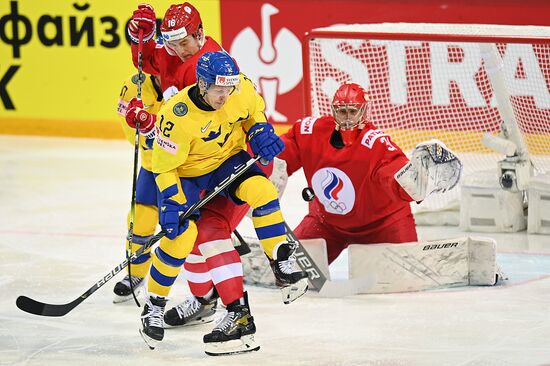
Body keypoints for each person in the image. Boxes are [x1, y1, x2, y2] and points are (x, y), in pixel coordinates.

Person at [137, 51, 308, 353]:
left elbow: (255, 111)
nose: (225, 95)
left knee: (262, 190)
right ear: (202, 84)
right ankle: (154, 304)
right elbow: (163, 168)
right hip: (187, 175)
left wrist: (259, 128)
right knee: (183, 236)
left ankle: (281, 259)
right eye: (218, 89)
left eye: (229, 88)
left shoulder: (238, 89)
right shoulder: (175, 115)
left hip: (227, 161)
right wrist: (172, 202)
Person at [123, 2, 268, 331]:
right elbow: (146, 61)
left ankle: (222, 305)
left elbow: (201, 122)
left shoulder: (206, 68)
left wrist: (149, 123)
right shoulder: (174, 47)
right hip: (183, 161)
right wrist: (139, 37)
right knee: (184, 234)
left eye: (182, 42)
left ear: (200, 34)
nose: (175, 49)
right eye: (169, 41)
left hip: (215, 160)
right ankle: (200, 300)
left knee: (201, 234)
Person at [242, 82, 463, 284]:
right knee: (279, 273)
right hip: (326, 224)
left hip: (384, 226)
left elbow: (398, 181)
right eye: (342, 111)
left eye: (352, 111)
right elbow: (281, 154)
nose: (347, 117)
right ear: (333, 110)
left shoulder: (376, 144)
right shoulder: (309, 131)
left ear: (364, 111)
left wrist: (418, 181)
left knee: (405, 284)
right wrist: (259, 179)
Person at [113, 72, 163, 302]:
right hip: (153, 167)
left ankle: (205, 291)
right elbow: (128, 132)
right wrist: (142, 129)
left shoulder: (191, 78)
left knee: (192, 231)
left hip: (192, 169)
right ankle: (137, 273)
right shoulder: (135, 86)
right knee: (140, 221)